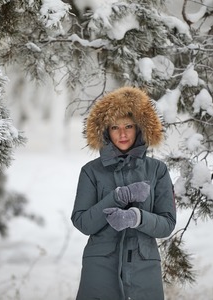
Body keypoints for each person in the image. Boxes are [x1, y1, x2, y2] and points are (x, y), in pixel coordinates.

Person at [71, 86, 177, 300]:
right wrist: (117, 197)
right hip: (100, 268)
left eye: (128, 126)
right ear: (105, 131)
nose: (122, 134)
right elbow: (83, 222)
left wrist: (137, 217)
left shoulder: (157, 170)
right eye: (114, 127)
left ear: (139, 128)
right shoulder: (91, 171)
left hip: (143, 269)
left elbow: (167, 224)